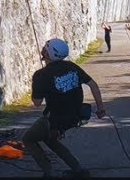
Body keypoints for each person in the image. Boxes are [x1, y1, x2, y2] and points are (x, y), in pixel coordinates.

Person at [23, 38, 107, 179]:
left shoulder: (40, 75)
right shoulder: (72, 66)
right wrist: (100, 108)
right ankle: (78, 169)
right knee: (50, 139)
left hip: (54, 119)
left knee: (28, 139)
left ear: (48, 54)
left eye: (45, 48)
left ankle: (49, 172)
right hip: (75, 116)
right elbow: (93, 85)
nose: (42, 49)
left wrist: (38, 85)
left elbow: (37, 102)